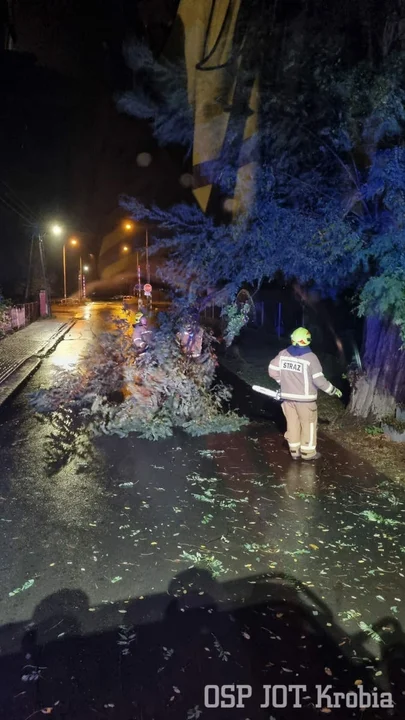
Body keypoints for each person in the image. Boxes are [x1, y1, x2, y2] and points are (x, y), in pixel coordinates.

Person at [268, 327, 342, 461]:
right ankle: (308, 453)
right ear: (307, 341)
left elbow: (272, 370)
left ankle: (294, 451)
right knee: (308, 425)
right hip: (305, 401)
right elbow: (319, 381)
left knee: (292, 424)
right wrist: (333, 390)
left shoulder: (283, 354)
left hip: (287, 399)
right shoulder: (311, 358)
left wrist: (282, 382)